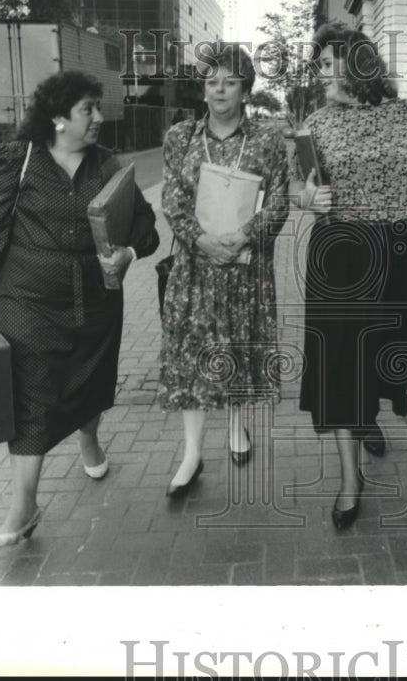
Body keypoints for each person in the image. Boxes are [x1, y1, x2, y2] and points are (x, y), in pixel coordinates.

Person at [0, 71, 160, 546]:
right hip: (27, 298)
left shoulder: (109, 167)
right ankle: (23, 507)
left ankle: (88, 437)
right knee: (32, 396)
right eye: (87, 108)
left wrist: (128, 252)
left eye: (97, 107)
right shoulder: (19, 159)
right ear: (57, 117)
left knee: (89, 381)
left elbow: (146, 224)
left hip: (95, 299)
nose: (97, 117)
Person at [295, 22, 407, 530]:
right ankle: (350, 478)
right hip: (339, 255)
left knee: (387, 358)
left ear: (355, 63)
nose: (320, 75)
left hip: (401, 252)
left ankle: (366, 417)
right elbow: (305, 190)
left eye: (326, 65)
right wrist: (307, 199)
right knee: (340, 362)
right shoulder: (313, 125)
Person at [157, 44, 289, 496]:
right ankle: (192, 452)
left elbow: (279, 199)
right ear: (202, 88)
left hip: (246, 266)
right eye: (212, 81)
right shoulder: (180, 137)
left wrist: (248, 234)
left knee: (236, 342)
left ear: (245, 89)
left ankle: (236, 425)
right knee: (192, 351)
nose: (219, 90)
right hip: (195, 267)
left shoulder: (268, 139)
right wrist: (201, 240)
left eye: (230, 82)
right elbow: (172, 197)